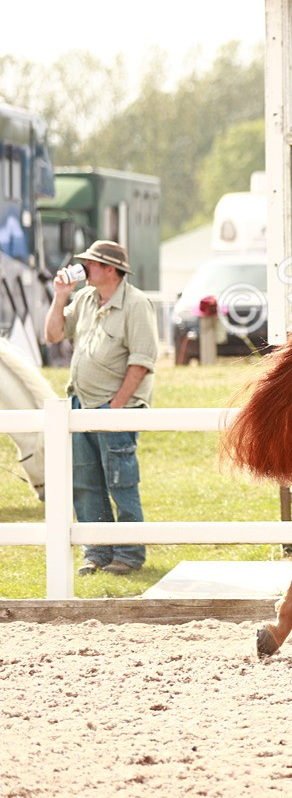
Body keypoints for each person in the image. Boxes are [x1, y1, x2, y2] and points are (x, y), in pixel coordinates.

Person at [44, 241, 158, 576]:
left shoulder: (136, 304)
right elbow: (52, 334)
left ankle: (129, 554)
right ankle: (97, 552)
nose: (83, 268)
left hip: (114, 409)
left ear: (110, 269)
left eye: (90, 263)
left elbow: (141, 362)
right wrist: (60, 296)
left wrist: (115, 407)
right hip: (81, 404)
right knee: (86, 482)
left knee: (121, 482)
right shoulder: (83, 299)